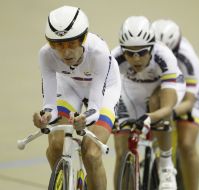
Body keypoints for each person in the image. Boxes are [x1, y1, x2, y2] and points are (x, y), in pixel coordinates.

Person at [32, 5, 121, 190]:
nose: (65, 52)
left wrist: (85, 119)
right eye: (58, 45)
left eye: (72, 44)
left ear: (84, 38)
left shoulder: (99, 52)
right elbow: (49, 103)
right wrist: (46, 116)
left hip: (104, 91)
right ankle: (63, 181)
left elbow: (95, 107)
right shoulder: (46, 54)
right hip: (70, 87)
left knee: (92, 153)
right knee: (56, 145)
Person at [112, 16, 186, 190]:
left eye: (142, 52)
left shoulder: (164, 56)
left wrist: (151, 117)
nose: (136, 59)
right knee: (121, 152)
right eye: (129, 53)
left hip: (163, 87)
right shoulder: (114, 58)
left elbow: (167, 107)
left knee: (156, 103)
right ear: (122, 50)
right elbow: (107, 92)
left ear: (152, 47)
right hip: (132, 89)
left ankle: (166, 166)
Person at [152, 19, 199, 190]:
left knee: (187, 145)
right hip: (165, 84)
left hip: (189, 92)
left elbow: (189, 101)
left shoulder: (188, 58)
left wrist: (169, 112)